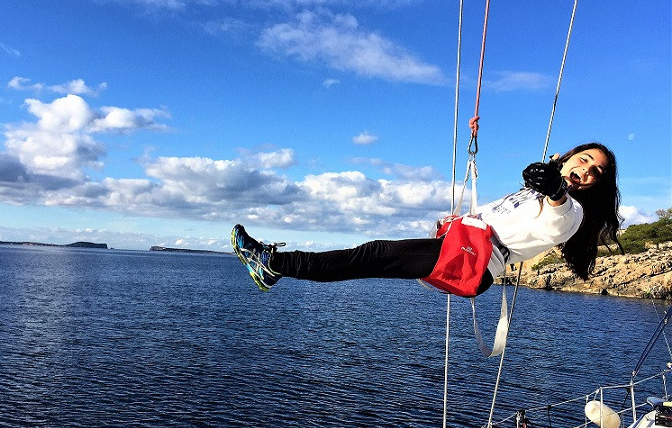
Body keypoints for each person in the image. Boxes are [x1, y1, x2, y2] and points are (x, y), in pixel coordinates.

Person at [231, 142, 623, 294]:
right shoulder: (535, 190)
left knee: (374, 253)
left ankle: (275, 264)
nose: (588, 169)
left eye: (597, 171)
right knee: (374, 255)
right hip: (460, 249)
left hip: (475, 265)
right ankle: (276, 266)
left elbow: (559, 220)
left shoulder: (573, 212)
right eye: (584, 159)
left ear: (595, 186)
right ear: (568, 157)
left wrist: (556, 191)